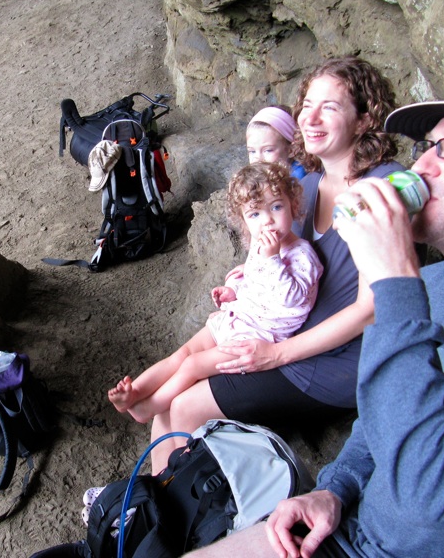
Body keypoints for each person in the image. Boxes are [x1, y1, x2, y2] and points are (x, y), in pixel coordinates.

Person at [184, 75, 444, 558]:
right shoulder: (433, 289)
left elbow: (442, 494)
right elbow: (381, 417)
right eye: (428, 145)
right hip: (350, 535)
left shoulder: (410, 293)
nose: (423, 164)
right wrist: (336, 488)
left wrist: (394, 280)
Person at [148, 56, 407, 475]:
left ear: (363, 120)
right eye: (307, 105)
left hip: (333, 362)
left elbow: (372, 308)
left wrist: (274, 355)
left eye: (331, 107)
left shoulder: (381, 189)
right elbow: (276, 260)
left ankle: (174, 517)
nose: (312, 117)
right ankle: (151, 509)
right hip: (283, 328)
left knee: (186, 406)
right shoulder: (306, 185)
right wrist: (243, 282)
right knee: (169, 396)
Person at [108, 162, 323, 423]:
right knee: (182, 354)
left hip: (257, 337)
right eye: (255, 214)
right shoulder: (260, 245)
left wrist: (272, 260)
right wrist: (233, 290)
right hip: (238, 316)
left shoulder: (302, 255)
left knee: (193, 365)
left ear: (293, 205)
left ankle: (147, 408)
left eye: (276, 206)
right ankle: (135, 391)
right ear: (244, 221)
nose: (267, 220)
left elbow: (294, 302)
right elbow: (255, 280)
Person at [247, 105, 306, 179]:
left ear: (291, 150)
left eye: (268, 150)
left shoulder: (299, 182)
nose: (258, 159)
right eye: (252, 151)